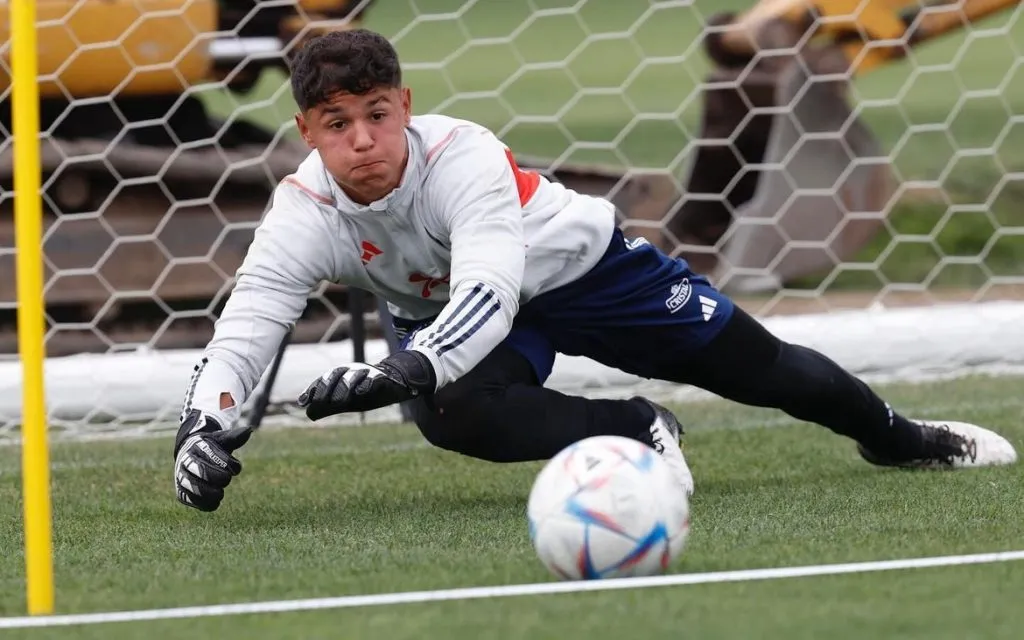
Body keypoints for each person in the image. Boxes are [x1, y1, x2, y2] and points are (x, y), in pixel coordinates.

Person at [172, 28, 1017, 513]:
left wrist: (403, 365)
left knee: (763, 370)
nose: (361, 140)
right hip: (453, 319)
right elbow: (249, 323)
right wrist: (203, 428)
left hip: (585, 272)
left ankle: (901, 440)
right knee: (452, 412)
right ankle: (636, 428)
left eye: (377, 115)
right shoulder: (302, 209)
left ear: (406, 105)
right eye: (335, 122)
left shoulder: (463, 156)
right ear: (306, 130)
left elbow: (491, 289)